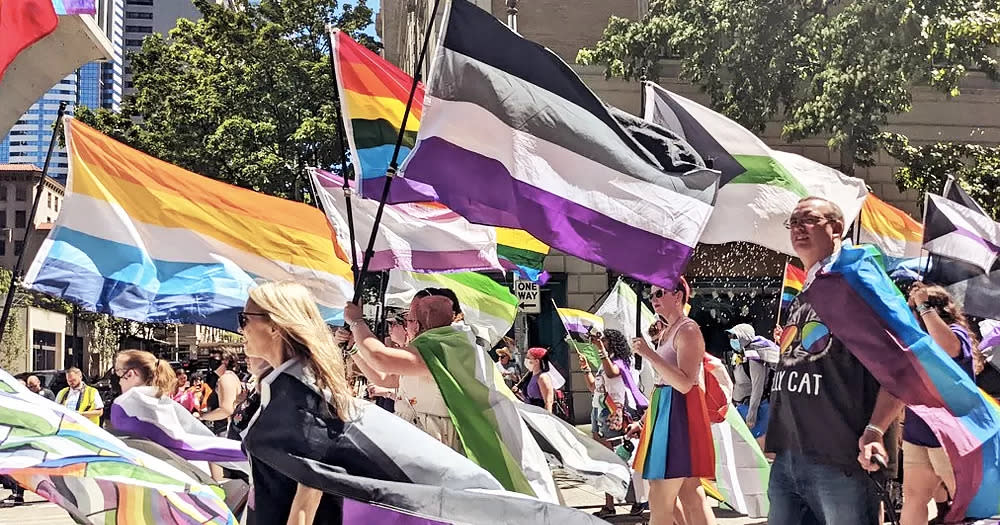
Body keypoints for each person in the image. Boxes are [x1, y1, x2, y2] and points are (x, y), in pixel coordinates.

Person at [766, 197, 903, 525]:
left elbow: (900, 366)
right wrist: (776, 438)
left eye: (809, 219)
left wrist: (875, 430)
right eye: (793, 221)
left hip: (841, 461)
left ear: (837, 228)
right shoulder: (805, 292)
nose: (798, 227)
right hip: (789, 459)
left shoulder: (858, 284)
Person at [630, 277, 716, 525]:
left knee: (660, 495)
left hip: (678, 412)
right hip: (667, 410)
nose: (653, 298)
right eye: (652, 293)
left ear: (678, 296)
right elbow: (664, 380)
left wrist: (647, 353)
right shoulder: (670, 330)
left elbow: (685, 383)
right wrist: (646, 419)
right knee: (689, 493)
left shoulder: (688, 329)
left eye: (659, 293)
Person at [900, 283, 980, 525]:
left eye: (915, 308)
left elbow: (951, 349)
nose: (911, 313)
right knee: (914, 499)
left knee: (964, 505)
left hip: (949, 436)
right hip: (919, 432)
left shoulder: (956, 332)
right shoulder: (917, 341)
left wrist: (923, 305)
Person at [347, 295, 463, 451]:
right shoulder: (437, 345)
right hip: (418, 434)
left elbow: (380, 358)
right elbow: (384, 378)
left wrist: (357, 322)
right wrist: (353, 347)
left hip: (431, 440)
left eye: (410, 318)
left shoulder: (439, 348)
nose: (409, 324)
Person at [580, 328, 642, 519]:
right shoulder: (602, 364)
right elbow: (593, 387)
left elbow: (612, 372)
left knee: (617, 458)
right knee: (604, 459)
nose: (602, 342)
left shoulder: (619, 363)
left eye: (605, 340)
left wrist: (600, 350)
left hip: (612, 413)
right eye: (601, 340)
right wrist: (585, 369)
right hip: (598, 411)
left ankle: (636, 499)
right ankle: (610, 504)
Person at [727, 323, 778, 446]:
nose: (732, 340)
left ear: (744, 337)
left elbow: (757, 387)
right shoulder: (738, 355)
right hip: (740, 407)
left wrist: (752, 415)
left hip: (754, 410)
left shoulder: (754, 356)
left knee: (756, 451)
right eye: (731, 337)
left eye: (735, 337)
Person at [196, 348, 241, 437]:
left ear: (226, 361)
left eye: (215, 359)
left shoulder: (225, 378)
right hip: (224, 428)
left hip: (224, 430)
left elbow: (226, 410)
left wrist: (202, 417)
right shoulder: (229, 377)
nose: (211, 362)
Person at [517, 347, 556, 412]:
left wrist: (547, 418)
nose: (526, 360)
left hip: (540, 414)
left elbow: (548, 401)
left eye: (528, 358)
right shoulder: (532, 376)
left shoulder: (542, 377)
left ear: (537, 361)